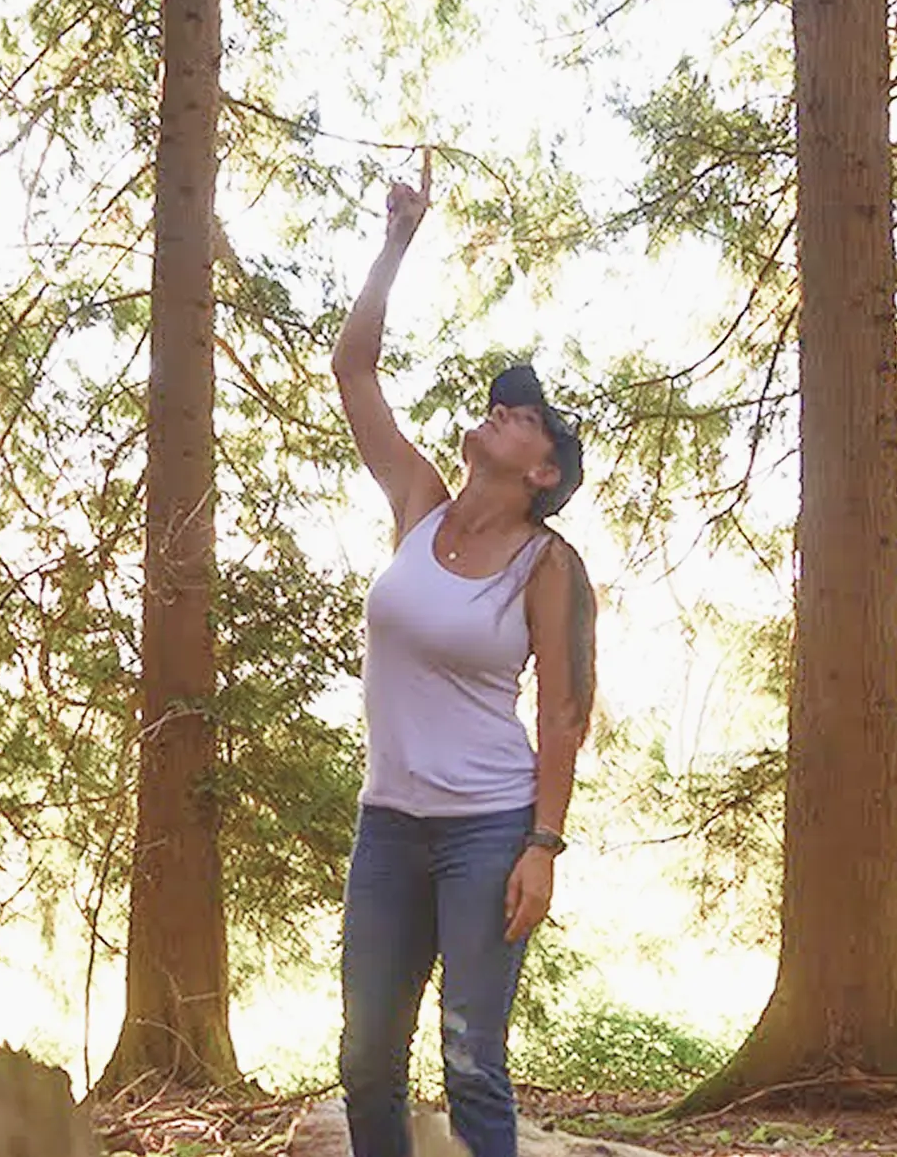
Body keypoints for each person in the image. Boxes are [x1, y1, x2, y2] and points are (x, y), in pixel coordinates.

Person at [329, 151, 597, 1157]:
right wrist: (394, 245)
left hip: (488, 833)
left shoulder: (544, 564)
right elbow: (353, 370)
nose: (500, 406)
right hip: (388, 829)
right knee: (365, 1060)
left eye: (521, 413)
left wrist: (544, 846)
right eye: (502, 400)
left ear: (543, 470)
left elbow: (565, 715)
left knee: (473, 1063)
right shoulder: (417, 505)